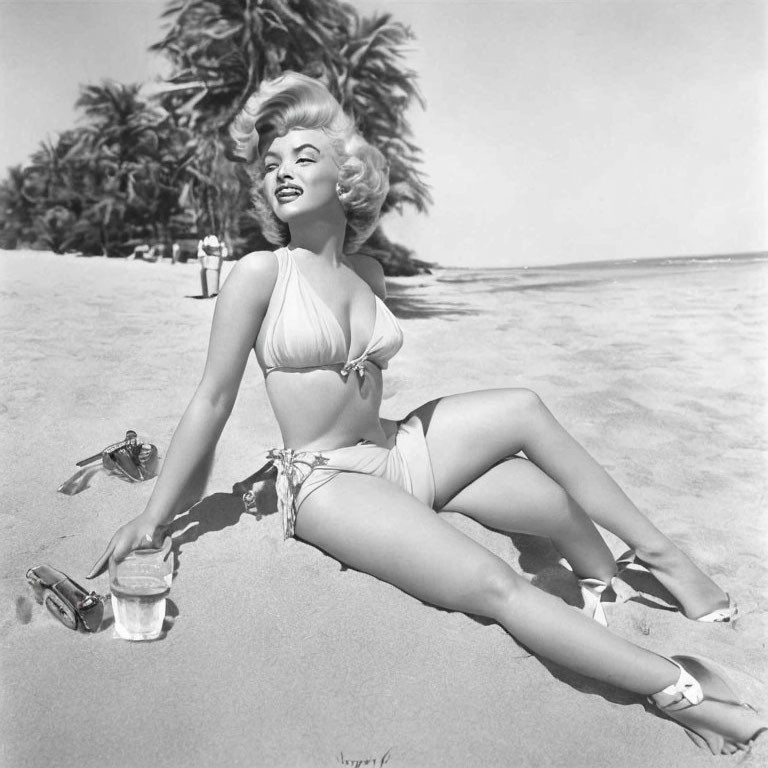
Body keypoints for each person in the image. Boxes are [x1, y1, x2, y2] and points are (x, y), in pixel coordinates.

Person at [88, 72, 764, 755]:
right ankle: (681, 689)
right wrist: (153, 519)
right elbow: (211, 400)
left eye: (302, 157)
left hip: (397, 448)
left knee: (535, 442)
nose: (281, 173)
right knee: (494, 584)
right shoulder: (262, 274)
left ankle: (636, 568)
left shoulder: (370, 274)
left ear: (345, 175)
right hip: (329, 482)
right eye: (269, 165)